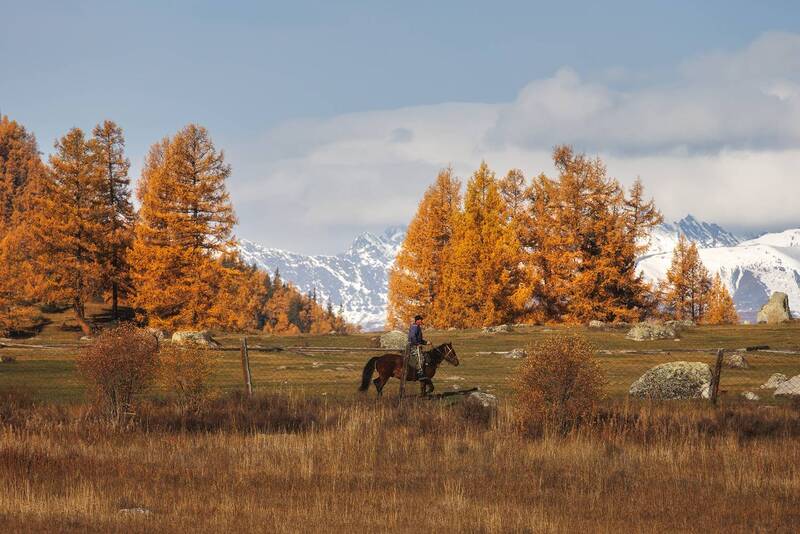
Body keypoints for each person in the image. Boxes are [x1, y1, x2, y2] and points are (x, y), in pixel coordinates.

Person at [407, 315, 429, 382]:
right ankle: (420, 374)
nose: (421, 321)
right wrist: (417, 344)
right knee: (421, 358)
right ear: (417, 320)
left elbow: (418, 339)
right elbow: (413, 337)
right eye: (421, 320)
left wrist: (426, 342)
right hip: (413, 346)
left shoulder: (417, 327)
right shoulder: (415, 327)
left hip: (415, 345)